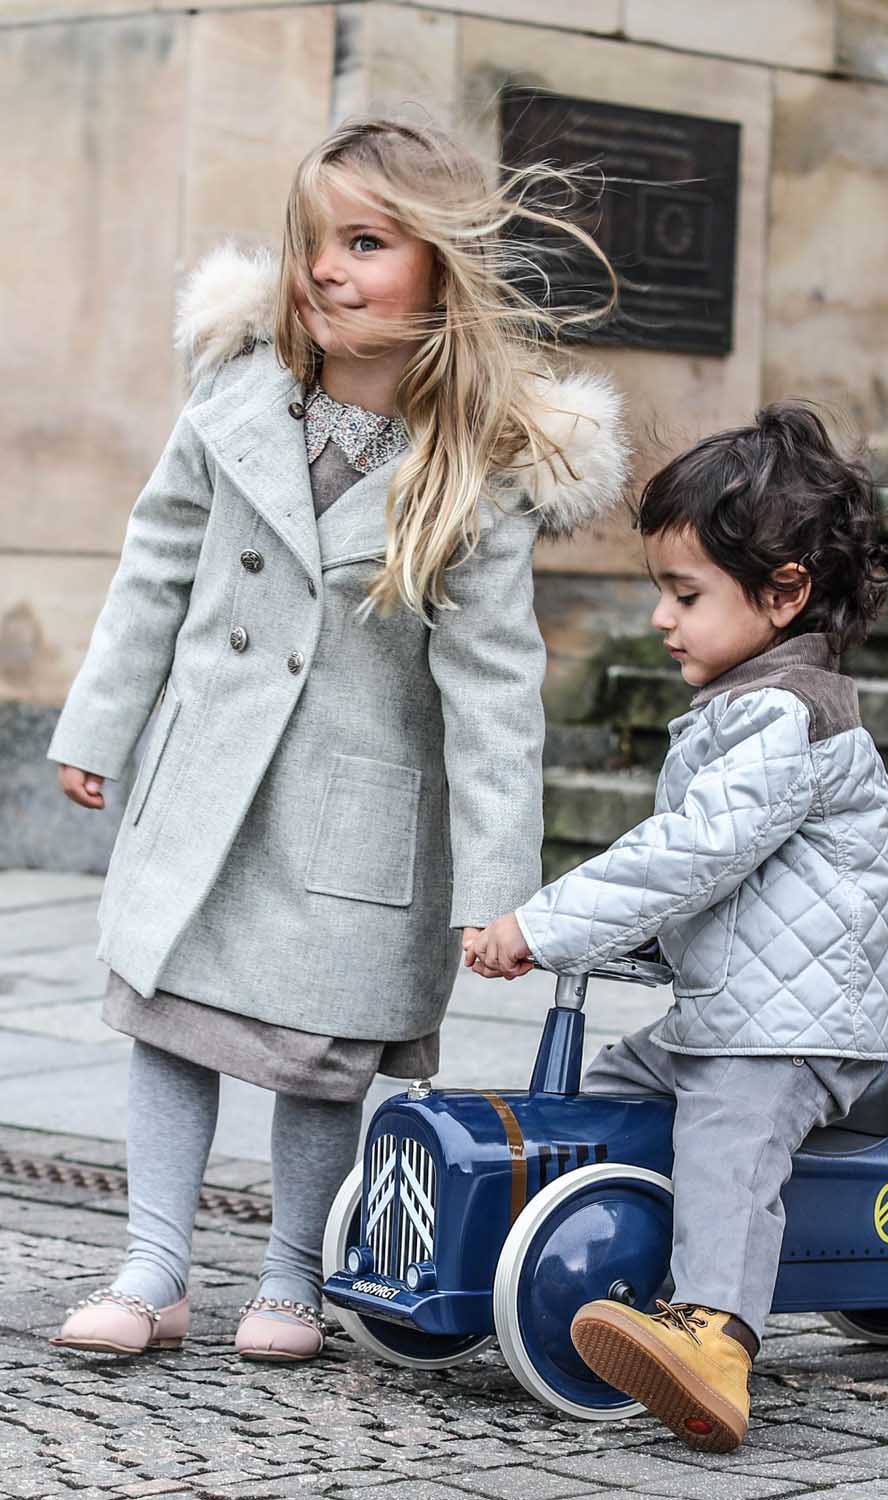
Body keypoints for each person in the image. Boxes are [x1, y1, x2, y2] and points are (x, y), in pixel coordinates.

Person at [48, 117, 627, 1362]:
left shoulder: (475, 473)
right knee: (169, 1008)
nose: (325, 268)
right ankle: (153, 1264)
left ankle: (293, 1276)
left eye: (365, 242)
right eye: (314, 239)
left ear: (440, 270)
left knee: (320, 1053)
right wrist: (99, 720)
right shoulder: (234, 398)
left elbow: (495, 693)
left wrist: (497, 891)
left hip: (350, 812)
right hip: (208, 779)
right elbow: (154, 569)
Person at [467, 403, 888, 1451]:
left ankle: (715, 1337)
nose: (662, 619)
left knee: (727, 1133)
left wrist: (545, 922)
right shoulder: (739, 709)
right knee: (612, 1096)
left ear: (784, 592)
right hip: (733, 1010)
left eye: (685, 593)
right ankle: (545, 1259)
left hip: (797, 1029)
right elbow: (720, 888)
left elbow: (691, 853)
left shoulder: (787, 717)